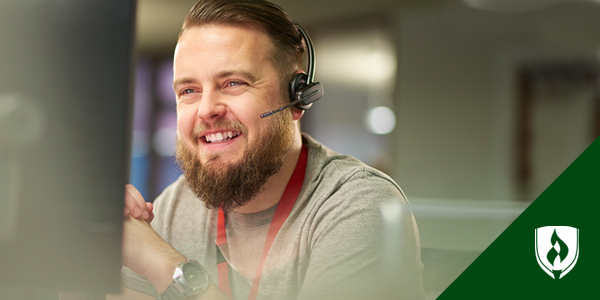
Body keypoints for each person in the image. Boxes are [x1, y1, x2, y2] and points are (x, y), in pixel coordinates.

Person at [63, 0, 426, 299]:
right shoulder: (176, 207)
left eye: (233, 83)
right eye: (188, 91)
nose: (206, 109)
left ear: (296, 98)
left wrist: (161, 262)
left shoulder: (359, 205)